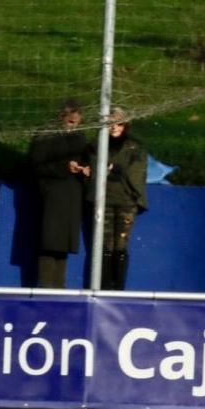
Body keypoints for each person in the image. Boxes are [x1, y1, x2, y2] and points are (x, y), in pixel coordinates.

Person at [27, 99, 91, 288]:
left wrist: (86, 168)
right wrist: (64, 167)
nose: (75, 124)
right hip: (52, 194)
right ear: (62, 117)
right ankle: (47, 287)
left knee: (63, 244)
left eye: (77, 121)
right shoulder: (46, 134)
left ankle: (59, 287)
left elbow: (86, 158)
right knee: (50, 242)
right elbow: (37, 164)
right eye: (71, 121)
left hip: (71, 194)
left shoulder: (79, 137)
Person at [93, 117, 148, 290]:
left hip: (126, 201)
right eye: (110, 124)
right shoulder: (98, 145)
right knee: (105, 245)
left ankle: (118, 287)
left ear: (125, 126)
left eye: (118, 124)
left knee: (121, 245)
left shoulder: (135, 146)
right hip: (105, 200)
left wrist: (114, 169)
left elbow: (135, 173)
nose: (114, 128)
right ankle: (103, 286)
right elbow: (95, 167)